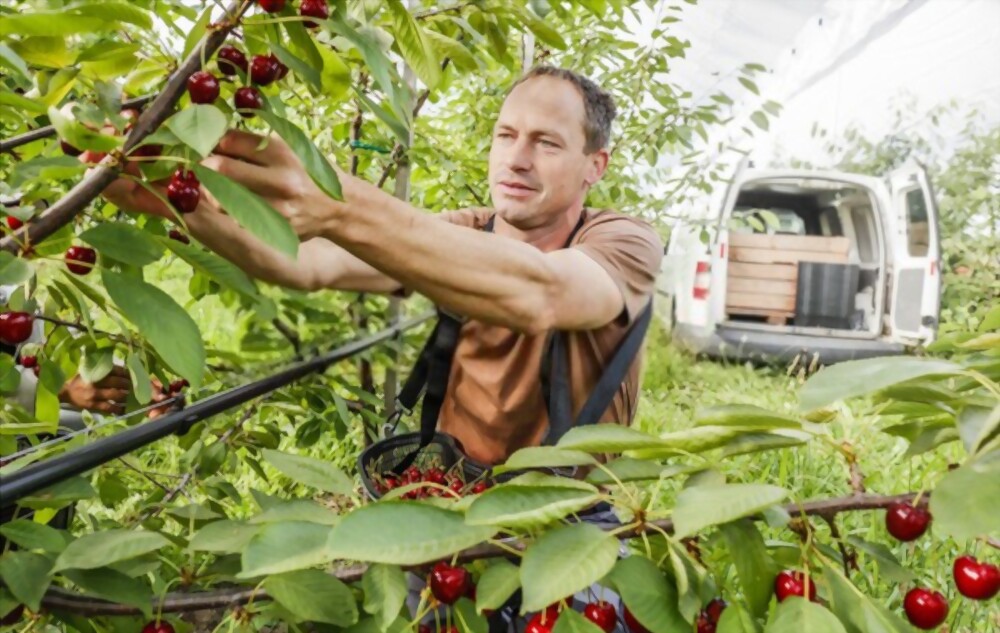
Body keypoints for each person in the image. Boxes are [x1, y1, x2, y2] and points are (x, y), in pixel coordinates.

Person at [101, 65, 663, 466]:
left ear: (596, 166)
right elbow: (306, 263)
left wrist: (338, 202)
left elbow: (543, 294)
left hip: (564, 525)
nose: (516, 159)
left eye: (546, 143)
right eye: (506, 136)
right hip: (444, 497)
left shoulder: (624, 243)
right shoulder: (467, 230)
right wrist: (183, 199)